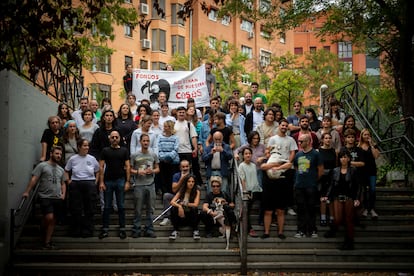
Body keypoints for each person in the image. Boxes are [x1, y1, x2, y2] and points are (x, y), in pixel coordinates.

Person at [22, 146, 66, 249]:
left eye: (60, 154)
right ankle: (42, 228)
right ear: (51, 154)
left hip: (57, 197)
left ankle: (47, 242)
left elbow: (63, 183)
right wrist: (27, 192)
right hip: (45, 196)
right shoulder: (42, 166)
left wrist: (63, 194)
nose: (59, 156)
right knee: (49, 217)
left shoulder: (61, 169)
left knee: (53, 220)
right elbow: (34, 179)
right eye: (57, 153)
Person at [323, 150, 360, 250]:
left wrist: (356, 198)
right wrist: (327, 196)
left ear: (348, 158)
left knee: (349, 220)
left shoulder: (353, 170)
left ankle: (349, 242)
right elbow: (331, 185)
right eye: (341, 157)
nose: (343, 159)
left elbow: (357, 186)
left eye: (345, 157)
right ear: (339, 159)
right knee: (338, 219)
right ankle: (333, 230)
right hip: (337, 197)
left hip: (349, 197)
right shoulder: (335, 170)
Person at [98, 130, 130, 240]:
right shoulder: (105, 150)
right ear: (109, 138)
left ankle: (122, 229)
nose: (115, 139)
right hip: (108, 181)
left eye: (116, 137)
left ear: (120, 138)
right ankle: (105, 229)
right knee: (107, 206)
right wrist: (101, 182)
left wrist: (127, 181)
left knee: (121, 206)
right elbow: (101, 167)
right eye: (113, 137)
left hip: (120, 180)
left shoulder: (124, 150)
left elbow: (128, 167)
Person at [64, 139, 100, 237]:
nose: (87, 147)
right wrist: (68, 181)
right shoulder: (73, 158)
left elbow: (98, 171)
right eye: (84, 145)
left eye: (88, 145)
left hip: (89, 183)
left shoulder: (92, 158)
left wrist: (95, 181)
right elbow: (66, 170)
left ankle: (87, 231)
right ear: (79, 147)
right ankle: (75, 230)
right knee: (76, 208)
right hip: (76, 183)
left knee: (90, 208)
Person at [293, 133, 324, 238]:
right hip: (299, 186)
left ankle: (312, 230)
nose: (299, 143)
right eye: (299, 141)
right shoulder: (298, 155)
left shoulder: (316, 154)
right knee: (301, 208)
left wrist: (313, 180)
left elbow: (320, 170)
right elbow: (296, 169)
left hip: (311, 185)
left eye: (301, 141)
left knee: (311, 208)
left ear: (308, 141)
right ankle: (300, 230)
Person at [260, 145, 293, 240]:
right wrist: (276, 164)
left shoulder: (282, 160)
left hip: (280, 189)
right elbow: (263, 167)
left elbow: (289, 165)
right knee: (268, 212)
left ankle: (280, 232)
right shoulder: (265, 161)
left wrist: (278, 167)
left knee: (280, 211)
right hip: (268, 189)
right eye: (269, 152)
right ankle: (266, 232)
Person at [130, 133, 160, 238]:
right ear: (140, 142)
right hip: (138, 184)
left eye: (147, 141)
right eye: (144, 141)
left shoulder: (153, 155)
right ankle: (136, 229)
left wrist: (152, 170)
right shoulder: (134, 155)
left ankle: (149, 229)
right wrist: (137, 172)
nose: (146, 142)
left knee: (150, 208)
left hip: (150, 184)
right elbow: (129, 169)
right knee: (138, 208)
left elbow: (158, 168)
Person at [267, 119, 298, 217]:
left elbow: (293, 152)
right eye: (282, 125)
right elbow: (268, 151)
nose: (284, 127)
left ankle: (288, 207)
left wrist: (288, 162)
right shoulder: (273, 139)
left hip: (287, 168)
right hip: (275, 167)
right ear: (279, 126)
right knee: (276, 190)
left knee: (288, 189)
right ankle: (277, 209)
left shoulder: (291, 139)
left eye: (286, 126)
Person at [238, 147, 263, 238]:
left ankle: (262, 222)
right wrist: (245, 192)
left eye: (249, 153)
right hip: (248, 191)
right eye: (246, 154)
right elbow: (242, 179)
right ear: (243, 156)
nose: (248, 155)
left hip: (256, 189)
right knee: (246, 211)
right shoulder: (241, 166)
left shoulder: (253, 165)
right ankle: (249, 229)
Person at [169, 174, 201, 240]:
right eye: (189, 181)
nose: (191, 183)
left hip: (190, 216)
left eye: (192, 182)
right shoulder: (181, 191)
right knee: (173, 208)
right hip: (181, 216)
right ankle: (175, 230)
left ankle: (195, 230)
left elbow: (196, 204)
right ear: (186, 182)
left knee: (194, 209)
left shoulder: (197, 191)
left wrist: (185, 204)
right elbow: (172, 202)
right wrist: (179, 206)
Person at [159, 159, 191, 226]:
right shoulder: (176, 175)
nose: (185, 168)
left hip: (188, 197)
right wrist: (181, 179)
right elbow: (174, 190)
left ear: (189, 167)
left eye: (187, 166)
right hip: (177, 196)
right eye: (183, 167)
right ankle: (167, 217)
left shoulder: (192, 176)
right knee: (166, 195)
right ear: (180, 168)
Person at [358, 128, 380, 219]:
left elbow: (376, 156)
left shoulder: (374, 146)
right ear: (362, 136)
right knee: (364, 190)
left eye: (368, 135)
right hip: (362, 171)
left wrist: (371, 145)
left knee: (372, 190)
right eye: (365, 135)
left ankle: (372, 209)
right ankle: (366, 208)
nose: (367, 136)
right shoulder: (358, 146)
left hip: (372, 170)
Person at [318, 132, 337, 226]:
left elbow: (336, 165)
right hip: (322, 176)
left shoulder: (334, 151)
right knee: (323, 197)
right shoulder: (318, 151)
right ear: (322, 140)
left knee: (331, 198)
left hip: (332, 176)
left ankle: (332, 217)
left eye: (329, 138)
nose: (328, 140)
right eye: (326, 138)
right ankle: (323, 217)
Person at [157, 120, 180, 195]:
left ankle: (171, 193)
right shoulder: (160, 137)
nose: (165, 128)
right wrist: (163, 158)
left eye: (167, 126)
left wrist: (169, 157)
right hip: (163, 162)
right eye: (164, 126)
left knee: (171, 178)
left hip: (173, 162)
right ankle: (164, 193)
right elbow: (158, 148)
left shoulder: (176, 138)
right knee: (163, 178)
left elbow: (175, 149)